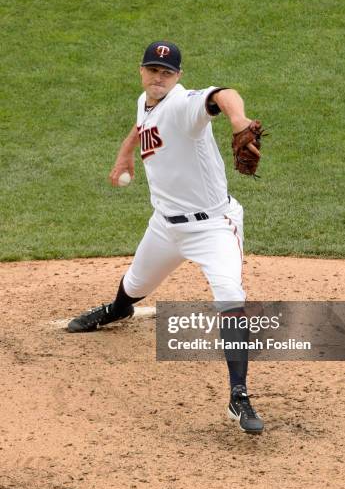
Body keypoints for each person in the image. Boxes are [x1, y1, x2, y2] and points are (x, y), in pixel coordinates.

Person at [67, 41, 264, 434]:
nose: (158, 77)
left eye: (166, 72)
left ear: (178, 77)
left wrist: (240, 121)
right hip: (165, 224)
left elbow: (222, 95)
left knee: (229, 295)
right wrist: (125, 154)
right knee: (135, 283)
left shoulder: (182, 104)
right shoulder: (147, 100)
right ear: (142, 71)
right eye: (152, 70)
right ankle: (118, 310)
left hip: (212, 227)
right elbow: (142, 125)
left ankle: (238, 396)